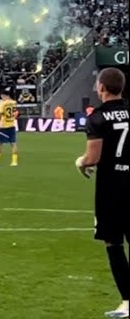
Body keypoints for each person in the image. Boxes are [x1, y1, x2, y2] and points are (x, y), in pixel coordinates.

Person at [77, 68, 130, 318]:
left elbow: (92, 158)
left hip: (113, 187)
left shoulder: (97, 117)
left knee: (114, 241)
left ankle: (128, 301)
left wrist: (80, 162)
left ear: (102, 88)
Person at [0, 88, 20, 167]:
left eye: (2, 96)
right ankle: (14, 162)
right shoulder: (14, 102)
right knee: (13, 144)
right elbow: (16, 113)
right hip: (12, 125)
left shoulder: (3, 103)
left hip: (4, 126)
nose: (1, 98)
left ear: (4, 95)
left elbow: (0, 114)